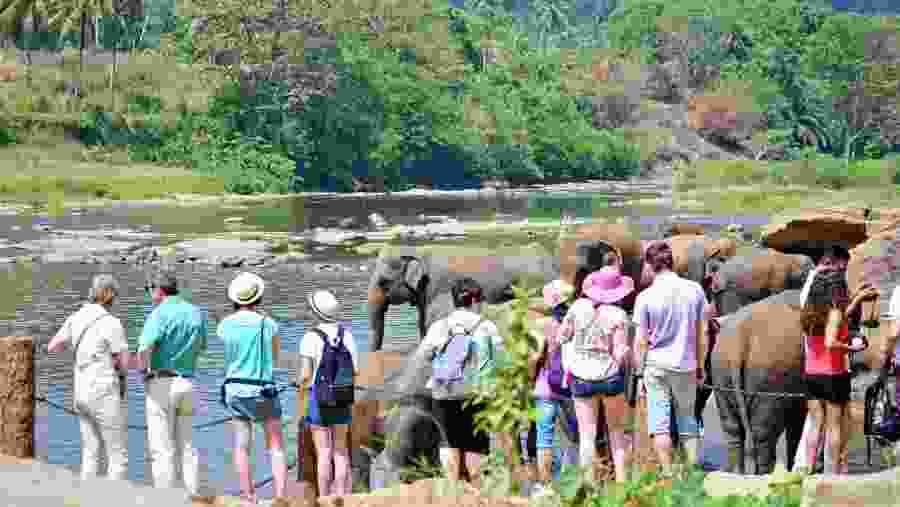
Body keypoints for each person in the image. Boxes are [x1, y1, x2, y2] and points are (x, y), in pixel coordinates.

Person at [794, 244, 872, 472]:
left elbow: (829, 326)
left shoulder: (809, 312)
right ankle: (833, 473)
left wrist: (855, 301)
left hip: (811, 375)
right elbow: (830, 340)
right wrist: (849, 347)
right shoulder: (835, 313)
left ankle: (807, 468)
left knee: (815, 425)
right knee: (834, 426)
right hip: (833, 374)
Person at [632, 241, 707, 476]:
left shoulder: (645, 297)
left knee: (659, 424)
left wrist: (639, 373)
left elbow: (641, 341)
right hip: (686, 364)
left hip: (655, 366)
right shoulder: (694, 289)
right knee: (688, 419)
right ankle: (693, 471)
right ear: (672, 262)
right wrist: (700, 364)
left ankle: (668, 473)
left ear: (650, 266)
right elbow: (703, 331)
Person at [47, 274, 130, 481]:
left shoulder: (75, 317)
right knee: (117, 456)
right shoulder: (111, 322)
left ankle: (86, 498)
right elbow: (124, 362)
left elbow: (53, 346)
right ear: (109, 295)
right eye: (115, 295)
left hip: (81, 391)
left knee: (90, 451)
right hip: (103, 391)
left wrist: (81, 352)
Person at [558, 266, 636, 483]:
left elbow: (562, 336)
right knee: (617, 434)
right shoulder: (618, 314)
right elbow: (620, 353)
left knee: (587, 436)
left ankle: (589, 486)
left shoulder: (577, 307)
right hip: (610, 379)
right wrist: (625, 358)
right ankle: (622, 484)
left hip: (581, 378)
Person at [421, 277, 501, 488]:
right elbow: (500, 359)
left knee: (448, 441)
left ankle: (452, 489)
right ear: (475, 300)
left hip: (444, 392)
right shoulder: (487, 327)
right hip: (477, 393)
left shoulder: (440, 325)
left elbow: (425, 355)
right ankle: (476, 489)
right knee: (476, 444)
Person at [136, 269, 207, 497]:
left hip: (162, 382)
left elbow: (144, 349)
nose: (149, 293)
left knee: (162, 448)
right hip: (188, 381)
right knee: (188, 446)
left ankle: (164, 499)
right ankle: (192, 496)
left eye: (149, 289)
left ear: (159, 290)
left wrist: (143, 371)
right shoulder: (196, 312)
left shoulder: (158, 314)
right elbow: (202, 346)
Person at [218, 272, 287, 505]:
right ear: (258, 298)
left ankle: (248, 497)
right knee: (275, 445)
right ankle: (279, 497)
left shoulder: (225, 324)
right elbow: (274, 359)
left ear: (235, 299)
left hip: (235, 390)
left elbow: (228, 353)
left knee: (241, 446)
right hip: (263, 390)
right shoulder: (269, 324)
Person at [299, 289, 359, 497]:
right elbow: (355, 370)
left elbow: (305, 375)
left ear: (316, 313)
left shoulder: (310, 337)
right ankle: (343, 496)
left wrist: (300, 384)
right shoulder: (348, 335)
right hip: (342, 397)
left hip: (319, 398)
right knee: (341, 450)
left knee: (323, 453)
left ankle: (324, 497)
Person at [526, 279, 576, 497]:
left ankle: (545, 486)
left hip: (545, 388)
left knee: (544, 438)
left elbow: (535, 356)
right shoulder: (576, 321)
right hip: (571, 388)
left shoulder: (542, 325)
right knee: (578, 436)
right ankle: (576, 481)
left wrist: (530, 380)